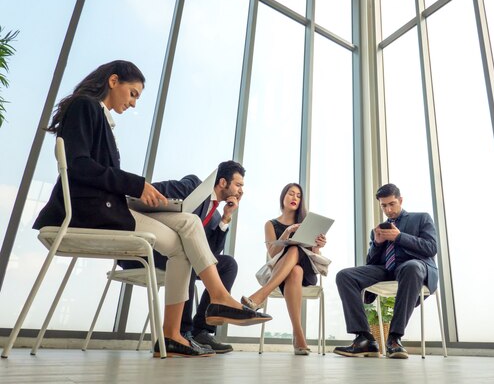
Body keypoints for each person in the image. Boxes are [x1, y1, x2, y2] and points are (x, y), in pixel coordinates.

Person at [33, 60, 270, 358]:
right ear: (113, 81)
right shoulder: (85, 107)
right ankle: (218, 300)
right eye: (132, 94)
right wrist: (137, 185)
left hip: (107, 208)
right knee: (188, 226)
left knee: (187, 231)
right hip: (90, 212)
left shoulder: (100, 117)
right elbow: (80, 167)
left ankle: (173, 334)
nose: (133, 104)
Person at [120, 163, 242, 354]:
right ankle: (181, 332)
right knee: (190, 257)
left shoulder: (216, 215)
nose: (241, 191)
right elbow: (148, 193)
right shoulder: (192, 186)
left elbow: (210, 255)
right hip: (153, 248)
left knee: (228, 265)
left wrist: (226, 219)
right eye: (238, 185)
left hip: (185, 256)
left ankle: (201, 330)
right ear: (223, 182)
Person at [333, 183, 438, 359]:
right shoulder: (378, 230)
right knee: (344, 275)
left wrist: (400, 237)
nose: (388, 210)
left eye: (392, 204)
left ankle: (394, 339)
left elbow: (431, 247)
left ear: (400, 200)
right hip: (386, 269)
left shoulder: (421, 218)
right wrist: (377, 243)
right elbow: (371, 262)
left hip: (413, 265)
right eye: (384, 206)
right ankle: (365, 339)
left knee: (411, 267)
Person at [240, 183, 328, 355]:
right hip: (283, 273)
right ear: (283, 197)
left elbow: (314, 254)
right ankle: (298, 334)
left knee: (295, 251)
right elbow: (272, 253)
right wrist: (287, 232)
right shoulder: (271, 224)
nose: (295, 198)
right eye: (291, 194)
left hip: (307, 272)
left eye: (298, 195)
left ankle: (261, 295)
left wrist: (319, 245)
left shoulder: (307, 222)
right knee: (295, 270)